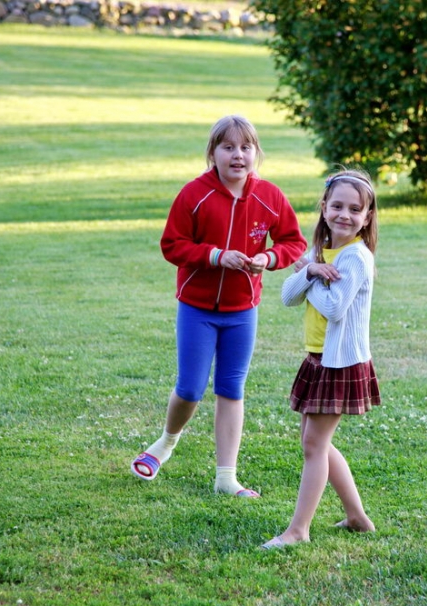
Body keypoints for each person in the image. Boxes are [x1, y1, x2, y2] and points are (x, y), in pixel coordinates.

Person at [131, 115, 307, 498]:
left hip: (242, 311)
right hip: (197, 310)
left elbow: (294, 242)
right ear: (213, 153)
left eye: (246, 147)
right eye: (228, 147)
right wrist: (215, 256)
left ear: (256, 153)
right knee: (190, 389)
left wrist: (269, 258)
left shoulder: (270, 196)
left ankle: (226, 478)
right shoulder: (194, 194)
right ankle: (165, 443)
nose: (238, 155)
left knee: (231, 388)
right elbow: (172, 245)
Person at [262, 169, 380, 548]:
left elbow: (333, 308)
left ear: (367, 217)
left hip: (340, 363)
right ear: (324, 208)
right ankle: (357, 518)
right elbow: (287, 296)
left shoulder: (355, 257)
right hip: (318, 359)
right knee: (316, 443)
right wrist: (312, 269)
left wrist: (309, 277)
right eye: (337, 206)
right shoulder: (319, 252)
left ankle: (298, 531)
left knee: (314, 445)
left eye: (355, 209)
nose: (344, 215)